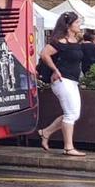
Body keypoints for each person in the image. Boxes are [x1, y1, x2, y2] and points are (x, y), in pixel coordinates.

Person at [37, 11, 87, 157]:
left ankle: (45, 132)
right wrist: (55, 70)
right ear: (68, 25)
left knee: (73, 114)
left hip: (72, 80)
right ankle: (68, 147)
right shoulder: (60, 41)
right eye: (77, 22)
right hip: (62, 80)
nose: (79, 25)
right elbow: (44, 54)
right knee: (71, 114)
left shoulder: (75, 40)